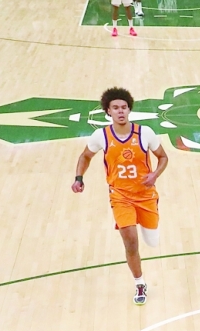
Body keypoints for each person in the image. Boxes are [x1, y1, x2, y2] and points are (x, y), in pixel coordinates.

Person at [71, 88, 169, 305]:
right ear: (108, 111)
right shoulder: (101, 136)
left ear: (129, 109)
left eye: (124, 107)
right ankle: (140, 283)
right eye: (115, 108)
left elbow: (163, 157)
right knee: (131, 241)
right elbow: (85, 156)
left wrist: (155, 174)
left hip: (145, 195)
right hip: (120, 197)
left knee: (152, 241)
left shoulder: (145, 133)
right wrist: (79, 177)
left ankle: (150, 217)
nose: (120, 111)